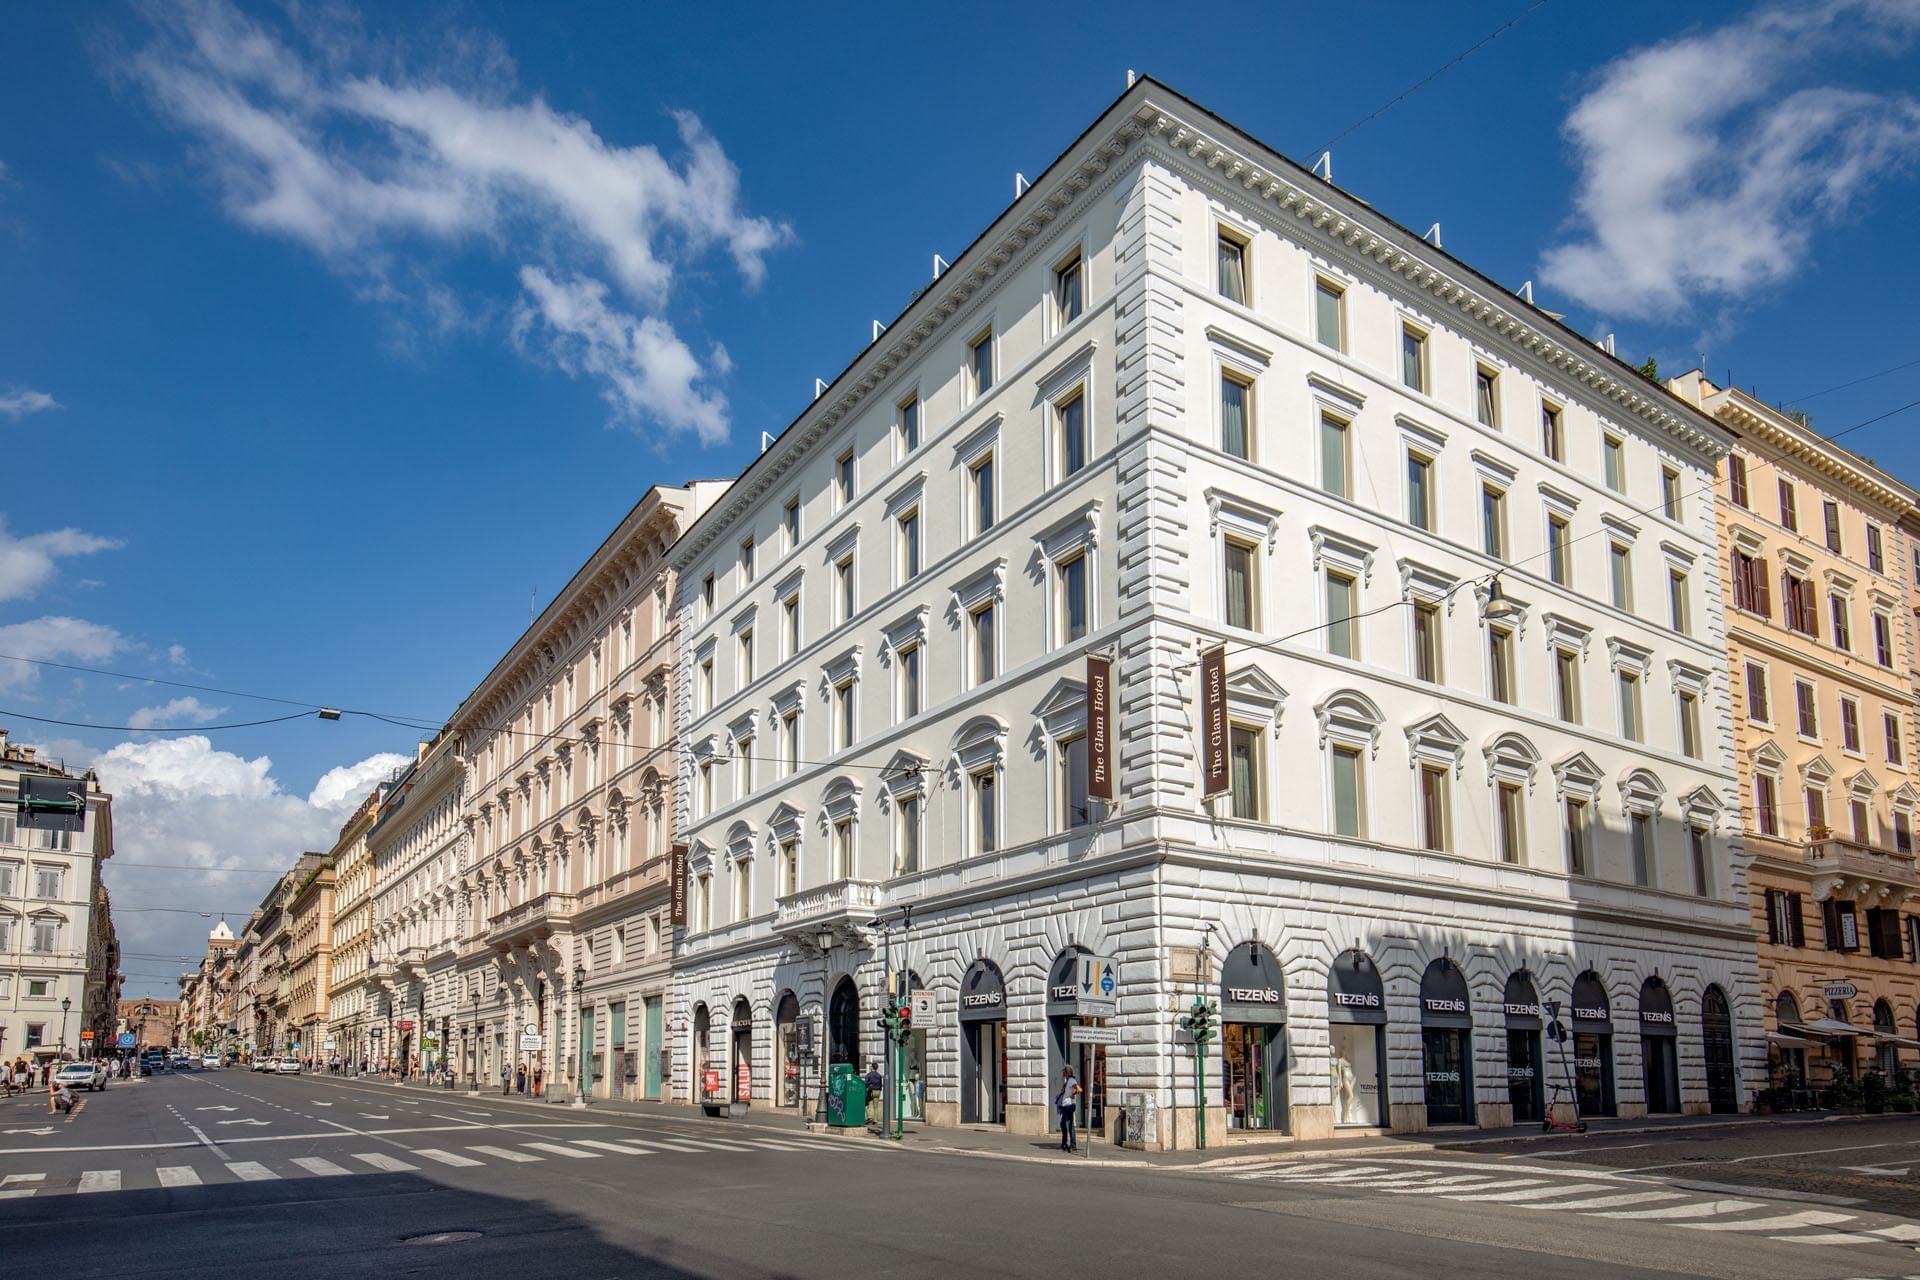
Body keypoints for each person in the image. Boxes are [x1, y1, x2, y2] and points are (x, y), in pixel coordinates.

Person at [1055, 1066, 1081, 1152]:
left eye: (1063, 1072)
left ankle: (1073, 1145)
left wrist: (1073, 1094)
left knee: (1069, 1126)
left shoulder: (1072, 1081)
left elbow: (1079, 1089)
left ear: (1067, 1072)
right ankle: (1064, 1143)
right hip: (1066, 1105)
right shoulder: (1068, 1081)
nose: (1062, 1073)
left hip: (1069, 1105)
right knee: (1063, 1124)